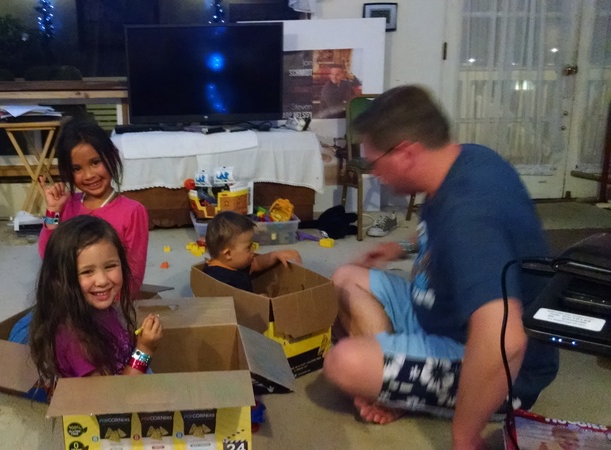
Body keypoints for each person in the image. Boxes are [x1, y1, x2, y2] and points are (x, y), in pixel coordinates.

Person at [321, 85, 559, 450]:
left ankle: (396, 388)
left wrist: (465, 436)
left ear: (405, 153)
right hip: (439, 313)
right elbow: (451, 240)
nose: (376, 175)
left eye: (375, 163)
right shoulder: (467, 160)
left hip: (499, 366)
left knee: (344, 364)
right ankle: (394, 379)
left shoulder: (469, 216)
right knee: (345, 278)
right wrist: (400, 247)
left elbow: (506, 342)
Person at [29, 215, 162, 388]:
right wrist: (144, 350)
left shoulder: (98, 309)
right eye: (87, 272)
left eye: (110, 266)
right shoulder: (76, 341)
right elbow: (112, 396)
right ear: (59, 279)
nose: (102, 280)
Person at [38, 118, 149, 298]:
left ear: (112, 155)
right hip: (70, 302)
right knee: (22, 326)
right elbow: (49, 257)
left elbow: (133, 277)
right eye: (76, 168)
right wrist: (53, 211)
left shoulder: (133, 212)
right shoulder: (66, 205)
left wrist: (101, 305)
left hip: (109, 305)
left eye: (95, 162)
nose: (89, 175)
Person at [202, 211, 302, 292]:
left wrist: (274, 255)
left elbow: (256, 263)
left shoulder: (235, 264)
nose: (253, 251)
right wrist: (258, 301)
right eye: (248, 247)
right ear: (228, 254)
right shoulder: (217, 279)